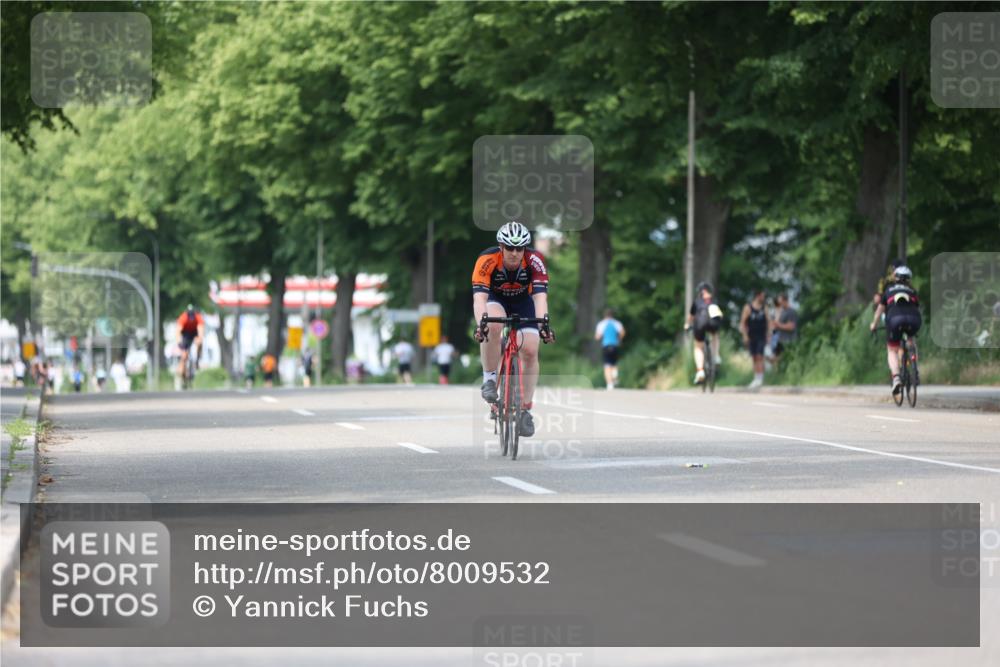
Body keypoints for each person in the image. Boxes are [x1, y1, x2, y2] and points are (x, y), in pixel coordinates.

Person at [472, 221, 555, 438]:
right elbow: (479, 298)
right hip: (495, 299)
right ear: (501, 246)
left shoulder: (535, 261)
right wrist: (481, 324)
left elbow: (540, 297)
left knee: (530, 349)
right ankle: (489, 379)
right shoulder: (487, 260)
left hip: (524, 302)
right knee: (492, 323)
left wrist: (544, 324)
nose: (515, 253)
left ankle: (525, 409)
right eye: (510, 248)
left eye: (520, 248)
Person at [870, 265, 922, 395]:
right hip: (914, 320)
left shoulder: (889, 290)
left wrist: (873, 325)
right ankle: (914, 366)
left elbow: (879, 310)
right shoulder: (912, 291)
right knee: (911, 340)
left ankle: (897, 378)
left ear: (895, 277)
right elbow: (916, 307)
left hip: (895, 320)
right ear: (909, 279)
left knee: (892, 350)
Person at [685, 282, 723, 385]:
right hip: (713, 323)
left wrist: (687, 325)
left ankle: (700, 371)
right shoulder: (714, 301)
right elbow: (720, 315)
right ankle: (716, 356)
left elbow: (691, 317)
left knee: (698, 346)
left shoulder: (697, 302)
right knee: (715, 335)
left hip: (700, 324)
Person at [740, 289, 771, 389]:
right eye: (762, 296)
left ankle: (760, 378)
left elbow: (768, 322)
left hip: (761, 336)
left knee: (760, 356)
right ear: (757, 296)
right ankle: (756, 378)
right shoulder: (748, 308)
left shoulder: (764, 308)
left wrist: (769, 334)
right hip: (752, 336)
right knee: (754, 357)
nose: (763, 298)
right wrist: (744, 335)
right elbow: (743, 323)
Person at [595, 308, 626, 390]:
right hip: (615, 345)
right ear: (612, 315)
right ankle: (615, 375)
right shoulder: (617, 323)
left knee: (607, 366)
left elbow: (597, 337)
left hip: (606, 346)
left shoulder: (601, 324)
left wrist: (600, 337)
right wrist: (619, 339)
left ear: (605, 315)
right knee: (614, 363)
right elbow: (623, 332)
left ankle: (609, 384)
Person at [176, 304, 205, 385]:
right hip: (186, 334)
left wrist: (199, 339)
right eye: (190, 315)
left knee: (200, 343)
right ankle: (181, 372)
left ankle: (197, 360)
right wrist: (179, 344)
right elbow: (178, 332)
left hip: (194, 333)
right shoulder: (183, 317)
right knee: (184, 355)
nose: (191, 317)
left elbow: (201, 330)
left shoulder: (197, 317)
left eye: (192, 314)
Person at [769, 293, 798, 366]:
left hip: (788, 341)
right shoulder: (782, 312)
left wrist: (778, 325)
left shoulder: (791, 312)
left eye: (780, 302)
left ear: (785, 301)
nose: (779, 304)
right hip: (780, 340)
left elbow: (791, 327)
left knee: (784, 359)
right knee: (775, 360)